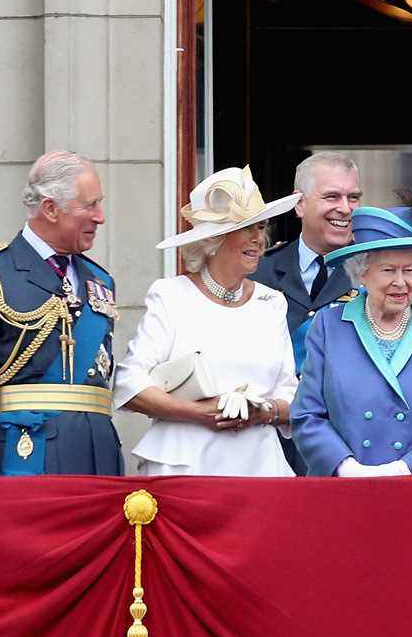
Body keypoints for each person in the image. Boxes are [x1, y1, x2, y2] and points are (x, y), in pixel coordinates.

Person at [113, 166, 301, 476]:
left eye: (261, 227)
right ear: (214, 240)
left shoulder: (271, 303)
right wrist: (199, 413)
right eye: (248, 228)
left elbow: (290, 397)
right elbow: (131, 384)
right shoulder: (171, 296)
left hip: (259, 468)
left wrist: (262, 412)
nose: (259, 239)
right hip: (185, 468)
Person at [0, 151, 122, 477]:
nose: (100, 217)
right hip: (24, 455)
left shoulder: (101, 281)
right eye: (90, 204)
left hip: (98, 457)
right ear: (50, 208)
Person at [291, 205, 412, 476]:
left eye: (410, 270)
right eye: (389, 270)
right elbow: (306, 414)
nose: (401, 282)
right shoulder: (328, 326)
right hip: (341, 489)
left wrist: (406, 468)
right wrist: (345, 467)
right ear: (362, 274)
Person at [252, 151, 363, 474]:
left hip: (349, 447)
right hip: (270, 444)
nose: (345, 208)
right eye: (332, 196)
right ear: (299, 204)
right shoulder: (259, 271)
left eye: (353, 197)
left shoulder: (382, 274)